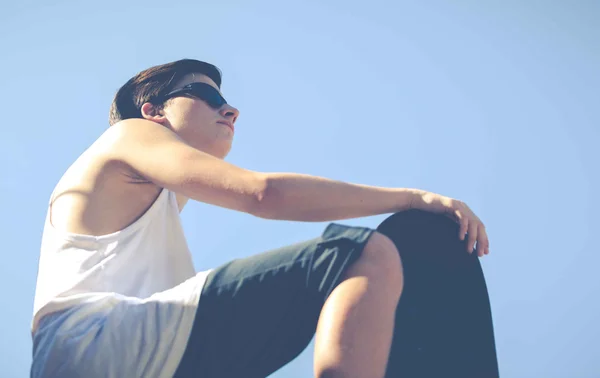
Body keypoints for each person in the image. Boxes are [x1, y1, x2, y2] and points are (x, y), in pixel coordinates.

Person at [30, 58, 490, 378]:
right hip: (99, 348)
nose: (228, 109)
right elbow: (264, 194)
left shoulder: (156, 202)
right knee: (360, 255)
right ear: (153, 111)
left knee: (420, 248)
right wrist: (412, 197)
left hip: (131, 355)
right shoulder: (128, 135)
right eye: (205, 95)